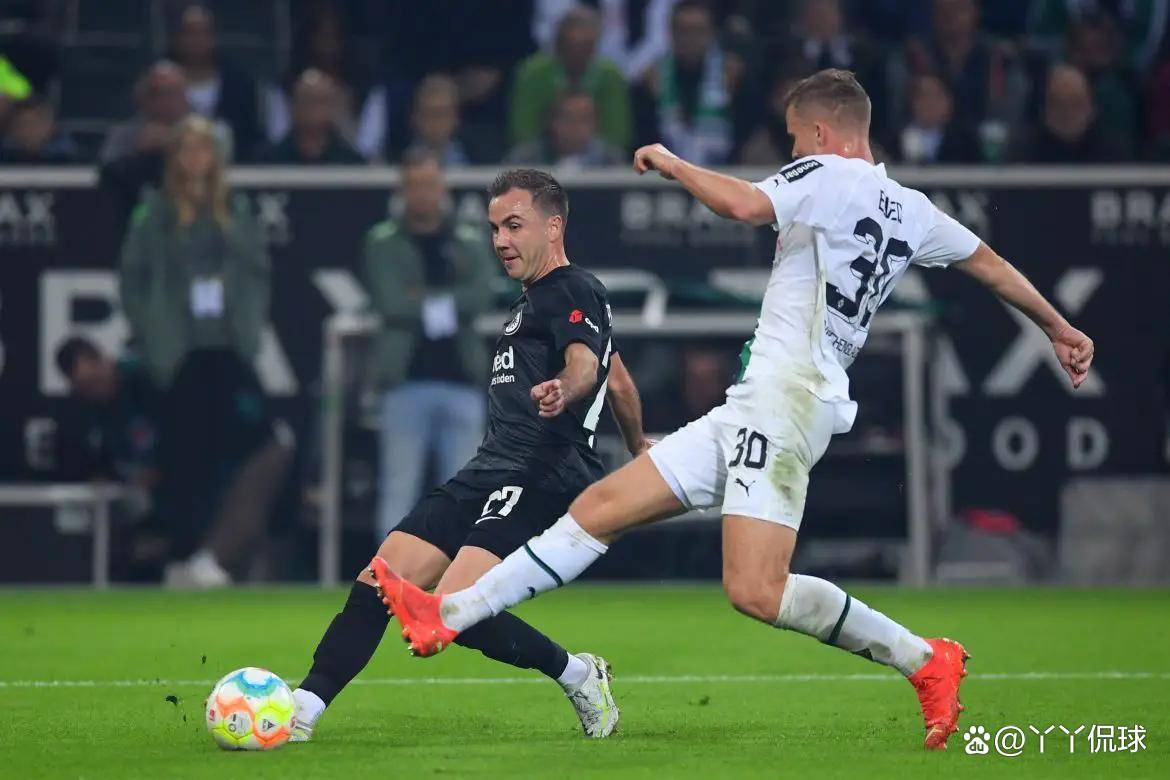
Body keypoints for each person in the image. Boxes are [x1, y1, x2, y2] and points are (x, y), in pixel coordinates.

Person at [376, 69, 1096, 751]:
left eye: (794, 138)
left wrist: (673, 162)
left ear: (822, 132)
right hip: (760, 404)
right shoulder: (910, 208)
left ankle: (924, 660)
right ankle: (450, 613)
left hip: (786, 401)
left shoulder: (827, 174)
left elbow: (745, 204)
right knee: (599, 508)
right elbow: (989, 264)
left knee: (756, 590)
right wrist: (1058, 326)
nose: (791, 152)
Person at [292, 169, 652, 743]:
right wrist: (638, 445)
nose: (500, 240)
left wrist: (565, 387)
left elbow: (588, 367)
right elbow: (620, 378)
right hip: (489, 468)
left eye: (514, 225)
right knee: (381, 580)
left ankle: (578, 675)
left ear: (553, 226)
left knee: (453, 606)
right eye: (494, 228)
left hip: (542, 470)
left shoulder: (573, 288)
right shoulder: (533, 301)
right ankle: (301, 710)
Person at [119, 115, 280, 587]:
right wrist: (154, 339)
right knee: (184, 461)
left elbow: (258, 274)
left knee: (257, 448)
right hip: (178, 355)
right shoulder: (154, 213)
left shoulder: (236, 209)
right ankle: (183, 555)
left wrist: (248, 330)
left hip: (228, 349)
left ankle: (222, 555)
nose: (195, 158)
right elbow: (133, 282)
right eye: (186, 148)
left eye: (203, 149)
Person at [364, 150, 495, 540]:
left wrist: (419, 298)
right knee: (398, 493)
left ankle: (456, 577)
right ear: (402, 190)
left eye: (430, 184)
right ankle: (386, 577)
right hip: (404, 383)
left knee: (463, 497)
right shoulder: (383, 242)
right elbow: (391, 301)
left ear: (443, 189)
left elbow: (481, 295)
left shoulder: (469, 239)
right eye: (414, 185)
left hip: (462, 381)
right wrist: (451, 301)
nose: (423, 193)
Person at [509, 6, 632, 152]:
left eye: (585, 46)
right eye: (571, 45)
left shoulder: (610, 75)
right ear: (557, 44)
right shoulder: (532, 73)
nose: (577, 53)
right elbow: (523, 132)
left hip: (598, 156)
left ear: (595, 46)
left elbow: (618, 135)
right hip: (540, 154)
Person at [167, 3, 263, 160]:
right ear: (176, 37)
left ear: (214, 37)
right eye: (189, 33)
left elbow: (250, 135)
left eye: (203, 33)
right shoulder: (161, 81)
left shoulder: (239, 83)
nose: (196, 41)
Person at [1009, 63, 1131, 163]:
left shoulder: (1116, 153)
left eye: (1076, 104)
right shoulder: (1023, 154)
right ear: (1044, 109)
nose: (1067, 112)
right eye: (1058, 103)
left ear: (1092, 109)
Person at [255, 69, 366, 165]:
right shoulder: (268, 161)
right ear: (293, 107)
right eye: (307, 100)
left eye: (322, 101)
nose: (314, 109)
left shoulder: (352, 163)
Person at [506, 91, 626, 167]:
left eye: (584, 119)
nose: (575, 126)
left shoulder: (610, 158)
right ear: (552, 122)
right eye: (568, 118)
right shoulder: (525, 158)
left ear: (595, 124)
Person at [0, 95, 78, 164]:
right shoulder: (5, 156)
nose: (28, 130)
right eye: (23, 124)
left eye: (34, 123)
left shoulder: (67, 158)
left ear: (51, 127)